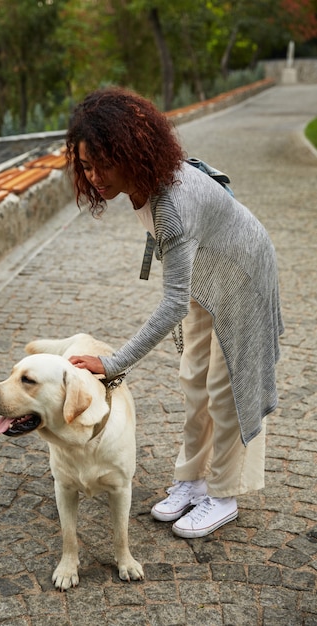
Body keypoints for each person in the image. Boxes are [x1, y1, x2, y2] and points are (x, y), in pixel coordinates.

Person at [65, 86, 284, 539]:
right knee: (194, 378)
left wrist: (111, 363)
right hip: (212, 273)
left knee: (225, 391)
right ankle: (192, 480)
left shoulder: (172, 208)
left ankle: (222, 495)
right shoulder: (147, 181)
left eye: (104, 163)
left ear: (131, 152)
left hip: (243, 275)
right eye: (87, 165)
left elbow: (171, 305)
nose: (96, 176)